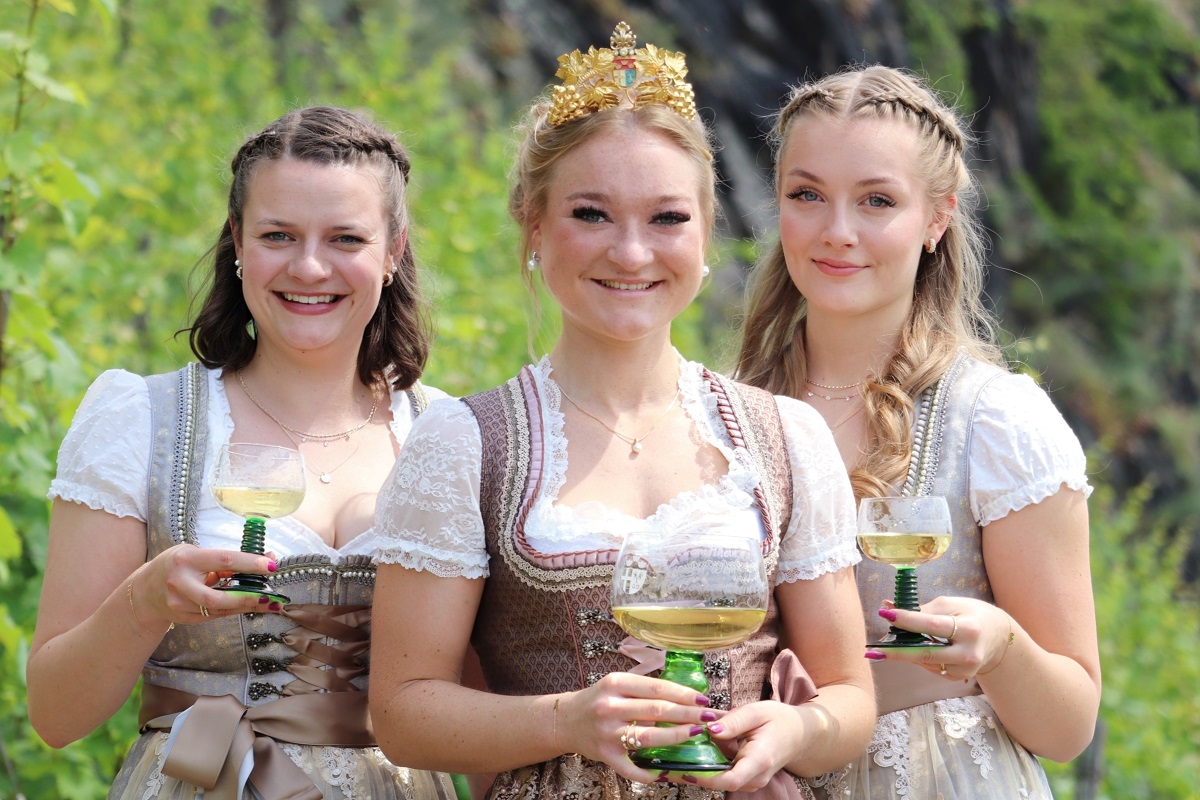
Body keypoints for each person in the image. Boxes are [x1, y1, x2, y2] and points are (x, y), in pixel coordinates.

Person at [368, 22, 876, 800]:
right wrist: (567, 721)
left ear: (707, 233)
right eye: (591, 215)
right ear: (534, 226)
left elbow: (850, 698)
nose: (632, 253)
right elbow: (402, 713)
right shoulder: (465, 444)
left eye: (667, 218)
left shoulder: (784, 438)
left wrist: (796, 729)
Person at [27, 105, 457, 800]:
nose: (309, 266)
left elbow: (479, 688)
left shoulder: (447, 435)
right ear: (237, 241)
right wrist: (144, 602)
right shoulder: (142, 419)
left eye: (345, 237)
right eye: (278, 235)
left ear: (393, 251)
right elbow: (54, 715)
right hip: (202, 779)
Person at [734, 65, 1101, 797]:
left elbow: (1069, 727)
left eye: (877, 201)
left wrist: (1000, 650)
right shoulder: (729, 415)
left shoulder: (997, 421)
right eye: (807, 196)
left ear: (936, 217)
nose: (837, 232)